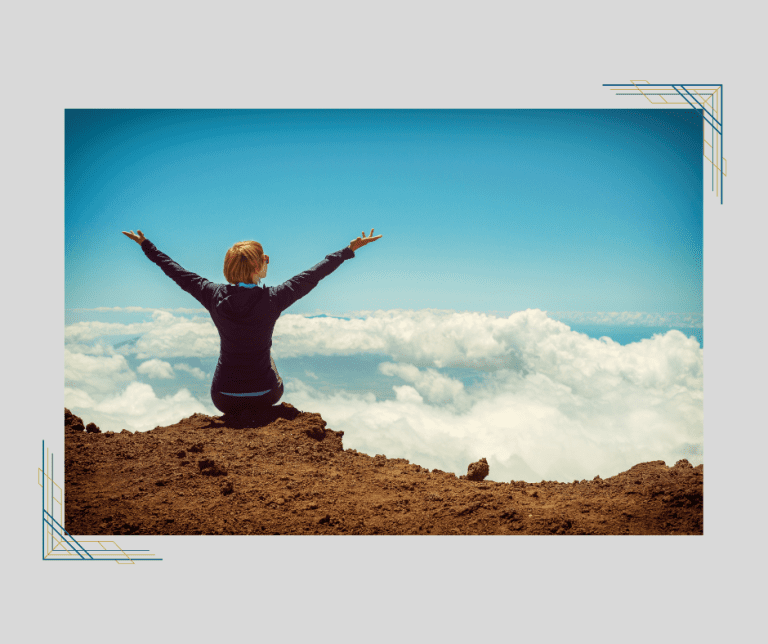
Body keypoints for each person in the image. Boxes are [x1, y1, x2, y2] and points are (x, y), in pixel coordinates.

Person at [121, 227, 382, 418]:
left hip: (223, 398)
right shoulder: (274, 298)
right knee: (267, 356)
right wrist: (348, 251)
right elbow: (313, 275)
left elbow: (176, 271)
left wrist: (147, 246)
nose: (268, 262)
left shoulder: (211, 294)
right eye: (266, 259)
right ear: (257, 267)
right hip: (266, 395)